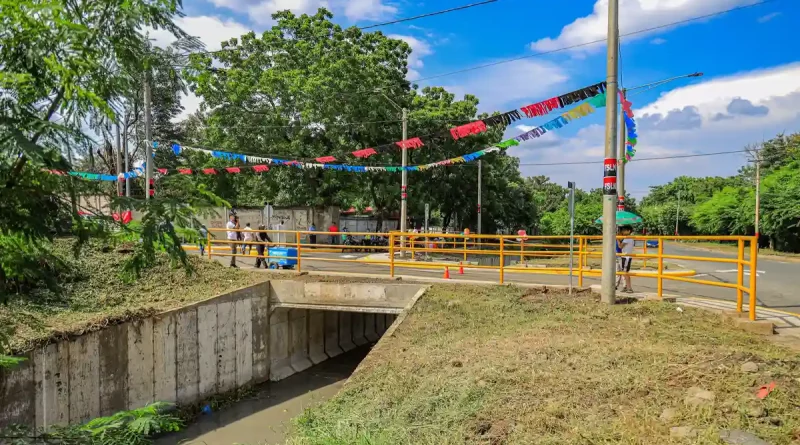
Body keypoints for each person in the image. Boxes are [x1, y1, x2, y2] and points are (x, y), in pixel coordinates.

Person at [619, 225, 635, 293]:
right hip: (625, 257)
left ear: (629, 231)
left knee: (625, 273)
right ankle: (626, 287)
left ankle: (629, 288)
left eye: (624, 230)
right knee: (624, 272)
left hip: (626, 257)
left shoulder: (627, 238)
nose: (622, 231)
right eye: (622, 230)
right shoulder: (628, 238)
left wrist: (617, 239)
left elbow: (620, 246)